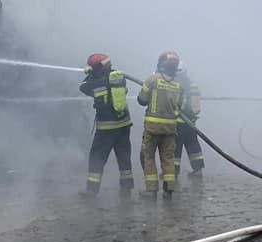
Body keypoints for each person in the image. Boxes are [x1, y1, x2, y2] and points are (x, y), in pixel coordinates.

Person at [79, 53, 133, 198]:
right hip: (124, 125)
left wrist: (90, 74)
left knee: (97, 157)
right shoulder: (118, 78)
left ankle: (91, 190)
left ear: (97, 67)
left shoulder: (95, 83)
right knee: (124, 157)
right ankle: (126, 188)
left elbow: (83, 88)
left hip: (107, 129)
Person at [137, 50, 184, 199]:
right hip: (170, 129)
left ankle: (151, 191)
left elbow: (141, 100)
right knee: (168, 158)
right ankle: (169, 189)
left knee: (148, 156)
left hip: (152, 128)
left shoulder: (152, 79)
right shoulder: (178, 86)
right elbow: (179, 107)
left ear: (160, 63)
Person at [174, 62, 204, 179]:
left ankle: (173, 172)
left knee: (175, 148)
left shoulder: (174, 85)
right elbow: (196, 108)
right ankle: (198, 170)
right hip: (191, 123)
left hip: (178, 123)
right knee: (193, 146)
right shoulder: (193, 85)